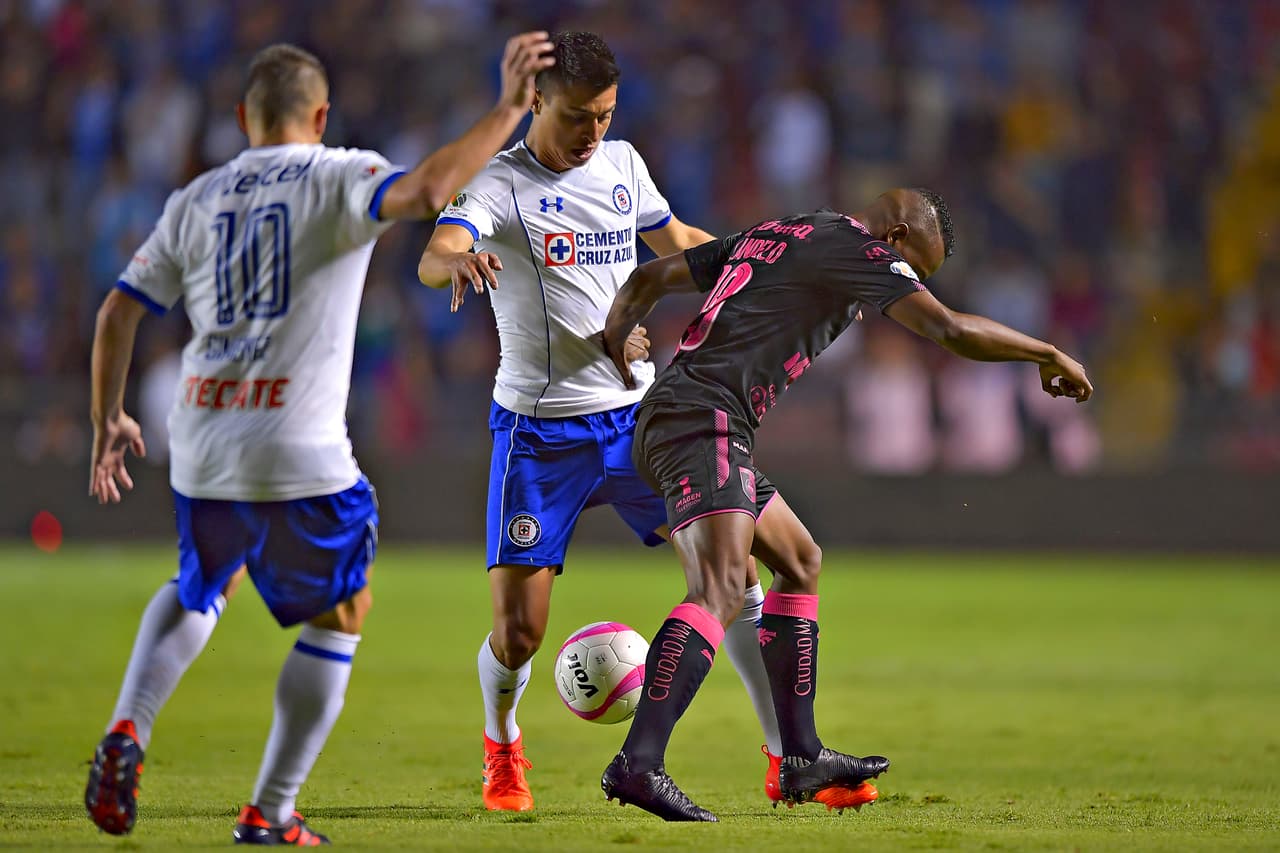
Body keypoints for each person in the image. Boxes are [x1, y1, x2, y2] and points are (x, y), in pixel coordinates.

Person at [84, 36, 554, 845]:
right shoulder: (339, 173)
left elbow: (118, 311)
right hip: (295, 443)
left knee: (203, 580)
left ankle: (128, 727)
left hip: (200, 436)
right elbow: (436, 188)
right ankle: (270, 811)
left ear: (242, 118)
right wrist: (510, 108)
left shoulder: (196, 196)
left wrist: (108, 420)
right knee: (342, 610)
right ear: (322, 115)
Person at [598, 190, 1093, 821]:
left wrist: (615, 342)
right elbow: (950, 329)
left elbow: (650, 276)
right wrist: (1046, 353)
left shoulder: (787, 230)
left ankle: (801, 758)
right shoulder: (859, 249)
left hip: (687, 416)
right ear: (895, 237)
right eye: (916, 269)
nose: (907, 286)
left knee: (800, 558)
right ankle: (638, 764)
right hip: (703, 420)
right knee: (720, 588)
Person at [416, 31, 783, 813]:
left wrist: (759, 263)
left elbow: (677, 241)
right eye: (580, 116)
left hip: (641, 422)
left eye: (607, 116)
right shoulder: (500, 182)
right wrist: (460, 258)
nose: (594, 134)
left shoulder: (622, 165)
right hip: (541, 435)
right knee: (519, 635)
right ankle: (503, 742)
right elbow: (436, 251)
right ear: (540, 102)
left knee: (738, 573)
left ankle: (784, 755)